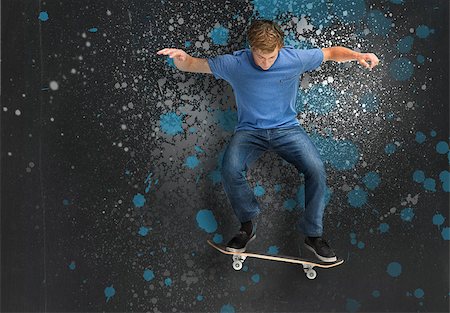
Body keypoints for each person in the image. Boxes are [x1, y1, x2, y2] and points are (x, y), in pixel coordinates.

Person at [157, 19, 379, 262]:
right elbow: (192, 65)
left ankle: (313, 235)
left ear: (280, 48)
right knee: (230, 169)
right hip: (250, 132)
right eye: (260, 56)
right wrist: (181, 60)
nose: (265, 63)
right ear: (250, 47)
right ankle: (247, 226)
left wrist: (357, 55)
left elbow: (331, 53)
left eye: (271, 57)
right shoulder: (235, 63)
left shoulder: (293, 59)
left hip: (287, 130)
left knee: (316, 169)